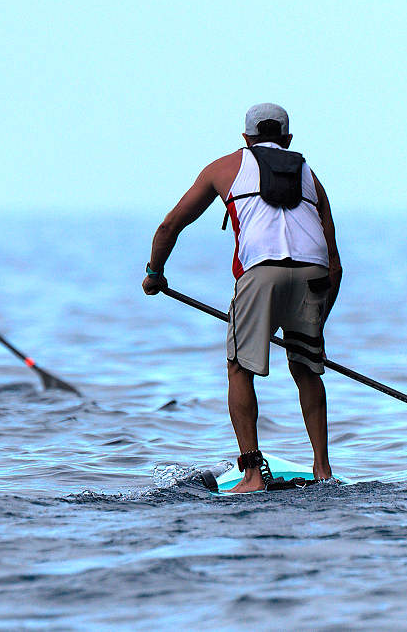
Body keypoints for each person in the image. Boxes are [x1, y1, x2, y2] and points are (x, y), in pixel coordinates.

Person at [142, 103, 342, 492]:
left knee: (239, 368)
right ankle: (323, 471)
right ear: (287, 139)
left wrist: (154, 274)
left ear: (246, 138)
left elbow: (170, 226)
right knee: (306, 369)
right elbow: (335, 266)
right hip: (314, 274)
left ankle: (251, 475)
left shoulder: (223, 167)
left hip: (261, 273)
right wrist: (316, 327)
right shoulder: (311, 176)